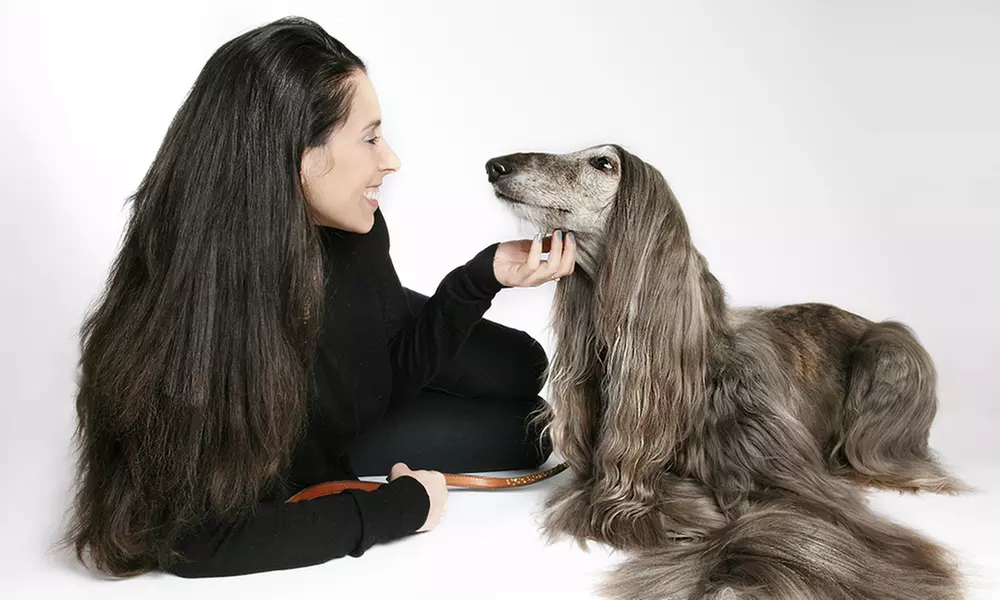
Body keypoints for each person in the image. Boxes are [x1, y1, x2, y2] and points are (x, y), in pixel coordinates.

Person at [58, 16, 577, 578]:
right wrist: (397, 509)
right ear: (300, 155)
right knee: (529, 435)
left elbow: (379, 369)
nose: (392, 159)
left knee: (525, 363)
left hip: (344, 390)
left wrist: (479, 280)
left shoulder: (353, 229)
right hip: (304, 438)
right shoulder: (203, 307)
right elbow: (196, 541)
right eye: (370, 137)